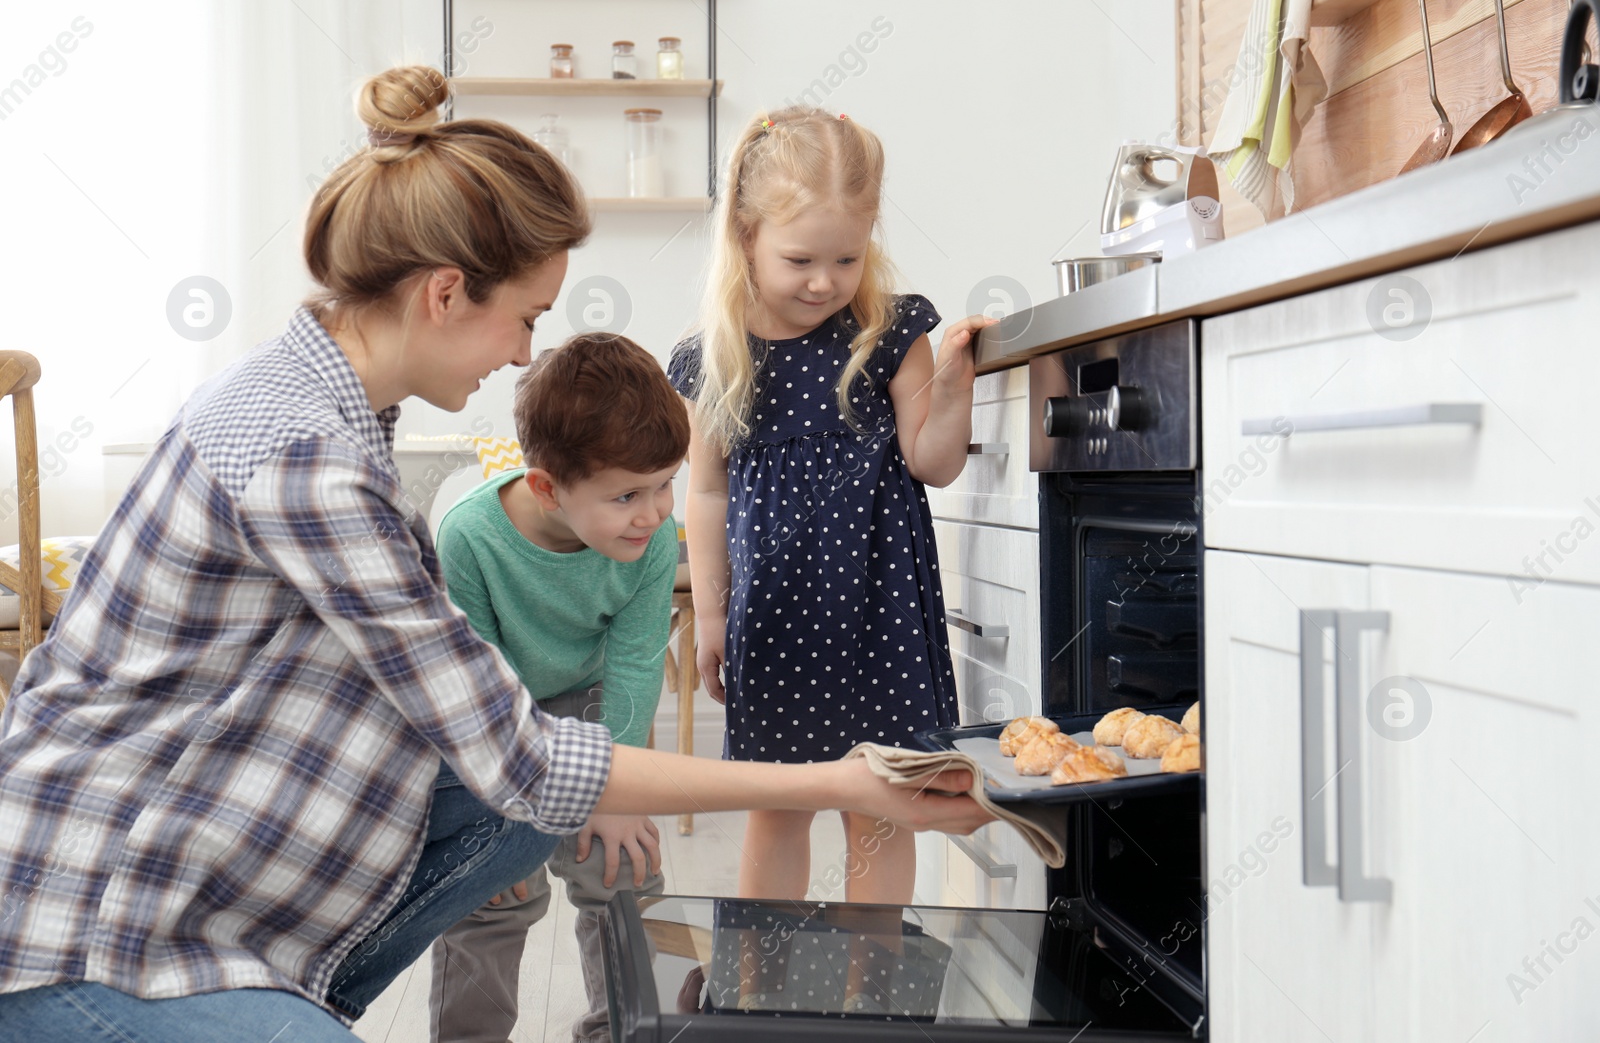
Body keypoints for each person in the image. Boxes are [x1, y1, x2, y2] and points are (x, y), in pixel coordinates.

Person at [0, 67, 993, 1043]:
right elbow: (517, 755)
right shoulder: (304, 458)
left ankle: (277, 987)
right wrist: (834, 784)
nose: (524, 353)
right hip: (87, 924)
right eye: (525, 317)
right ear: (444, 293)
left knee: (530, 791)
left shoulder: (324, 405)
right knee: (532, 772)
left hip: (185, 856)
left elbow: (499, 740)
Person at [670, 106, 996, 911]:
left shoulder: (890, 330)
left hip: (882, 614)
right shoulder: (716, 354)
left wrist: (952, 388)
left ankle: (877, 995)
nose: (824, 280)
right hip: (777, 614)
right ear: (744, 235)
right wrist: (712, 618)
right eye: (800, 258)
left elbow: (934, 462)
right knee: (779, 806)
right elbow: (705, 493)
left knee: (882, 810)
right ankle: (759, 994)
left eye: (847, 257)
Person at [428, 333, 681, 1043]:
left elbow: (635, 660)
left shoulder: (652, 537)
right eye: (629, 493)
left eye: (666, 483)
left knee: (622, 868)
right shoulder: (469, 538)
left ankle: (625, 1031)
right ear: (546, 487)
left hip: (594, 702)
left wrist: (616, 792)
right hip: (494, 722)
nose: (655, 510)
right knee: (490, 894)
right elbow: (472, 693)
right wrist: (494, 818)